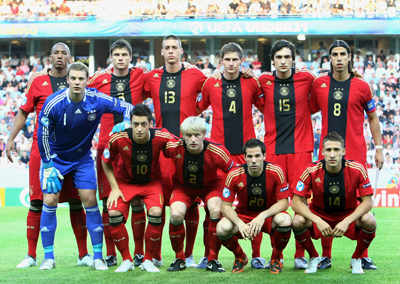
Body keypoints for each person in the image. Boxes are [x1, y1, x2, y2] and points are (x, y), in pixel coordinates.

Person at [36, 62, 133, 270]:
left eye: (81, 79)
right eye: (74, 79)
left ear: (87, 81)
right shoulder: (54, 103)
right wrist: (48, 164)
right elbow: (42, 133)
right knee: (50, 199)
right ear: (68, 80)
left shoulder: (96, 99)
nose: (77, 82)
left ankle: (97, 257)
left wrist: (124, 124)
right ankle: (48, 258)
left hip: (82, 159)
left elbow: (128, 108)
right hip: (56, 158)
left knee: (89, 200)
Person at [6, 43, 90, 269]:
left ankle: (83, 254)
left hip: (71, 152)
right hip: (41, 152)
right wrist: (11, 138)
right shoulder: (38, 82)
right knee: (36, 202)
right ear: (50, 57)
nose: (60, 57)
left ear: (70, 57)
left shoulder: (78, 80)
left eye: (64, 53)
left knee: (76, 201)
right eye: (56, 53)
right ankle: (32, 255)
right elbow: (23, 112)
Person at [310, 40, 383, 270]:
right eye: (335, 54)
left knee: (361, 203)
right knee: (325, 202)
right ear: (329, 58)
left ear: (349, 57)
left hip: (356, 153)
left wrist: (379, 148)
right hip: (328, 153)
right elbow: (305, 108)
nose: (339, 58)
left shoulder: (362, 86)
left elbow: (373, 118)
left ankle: (362, 255)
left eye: (343, 54)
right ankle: (325, 255)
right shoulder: (319, 84)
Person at [197, 42, 266, 269]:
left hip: (247, 156)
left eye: (235, 60)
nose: (231, 64)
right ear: (220, 62)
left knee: (254, 204)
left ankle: (256, 255)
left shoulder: (250, 82)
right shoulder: (210, 83)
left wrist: (256, 76)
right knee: (214, 207)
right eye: (227, 60)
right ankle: (211, 257)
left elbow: (266, 105)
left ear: (242, 61)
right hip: (219, 156)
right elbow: (197, 106)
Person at [141, 35, 207, 267]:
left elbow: (211, 92)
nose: (170, 51)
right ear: (162, 52)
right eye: (167, 48)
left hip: (188, 150)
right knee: (158, 204)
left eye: (174, 48)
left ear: (181, 52)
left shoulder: (195, 75)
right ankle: (156, 256)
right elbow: (133, 92)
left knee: (191, 202)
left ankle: (188, 255)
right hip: (161, 151)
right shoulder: (151, 77)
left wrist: (196, 114)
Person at [258, 39, 315, 269]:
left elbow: (323, 94)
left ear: (294, 60)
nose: (283, 61)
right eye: (279, 57)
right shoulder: (263, 81)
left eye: (287, 57)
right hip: (273, 150)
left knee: (302, 203)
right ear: (272, 60)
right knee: (275, 204)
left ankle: (301, 254)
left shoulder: (307, 79)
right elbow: (254, 97)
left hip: (301, 149)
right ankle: (276, 255)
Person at [88, 39, 144, 267]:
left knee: (138, 200)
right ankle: (111, 252)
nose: (121, 58)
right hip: (106, 148)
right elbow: (76, 89)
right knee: (106, 201)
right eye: (117, 54)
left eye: (124, 54)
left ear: (131, 57)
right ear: (111, 57)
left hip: (135, 149)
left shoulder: (141, 76)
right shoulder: (99, 79)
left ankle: (139, 253)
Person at [102, 104, 174, 273]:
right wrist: (114, 187)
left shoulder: (162, 136)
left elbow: (178, 149)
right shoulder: (118, 138)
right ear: (131, 123)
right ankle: (126, 259)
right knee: (113, 213)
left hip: (151, 183)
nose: (139, 129)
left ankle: (148, 259)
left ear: (150, 124)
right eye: (136, 124)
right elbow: (105, 161)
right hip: (126, 183)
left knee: (156, 212)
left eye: (143, 124)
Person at [291, 132, 376, 274]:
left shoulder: (357, 169)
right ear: (322, 152)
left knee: (370, 220)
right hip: (320, 215)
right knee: (297, 221)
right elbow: (295, 202)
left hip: (347, 215)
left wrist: (347, 221)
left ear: (343, 151)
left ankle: (357, 258)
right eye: (328, 150)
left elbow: (367, 202)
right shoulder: (311, 171)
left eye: (336, 150)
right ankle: (313, 257)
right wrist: (317, 220)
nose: (332, 154)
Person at [164, 116, 234, 272]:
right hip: (183, 187)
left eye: (197, 135)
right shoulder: (174, 147)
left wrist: (230, 198)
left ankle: (212, 259)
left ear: (204, 134)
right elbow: (157, 146)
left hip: (210, 187)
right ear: (183, 136)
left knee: (215, 210)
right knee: (175, 214)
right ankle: (179, 258)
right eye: (189, 135)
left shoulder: (217, 151)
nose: (193, 139)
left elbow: (235, 172)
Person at [216, 138, 291, 274]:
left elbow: (284, 202)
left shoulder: (275, 171)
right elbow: (225, 206)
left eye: (257, 156)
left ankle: (276, 258)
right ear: (244, 157)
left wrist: (262, 216)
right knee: (221, 228)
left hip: (268, 216)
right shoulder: (234, 174)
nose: (254, 160)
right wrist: (239, 223)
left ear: (264, 156)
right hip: (244, 216)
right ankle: (240, 256)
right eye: (250, 156)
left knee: (285, 220)